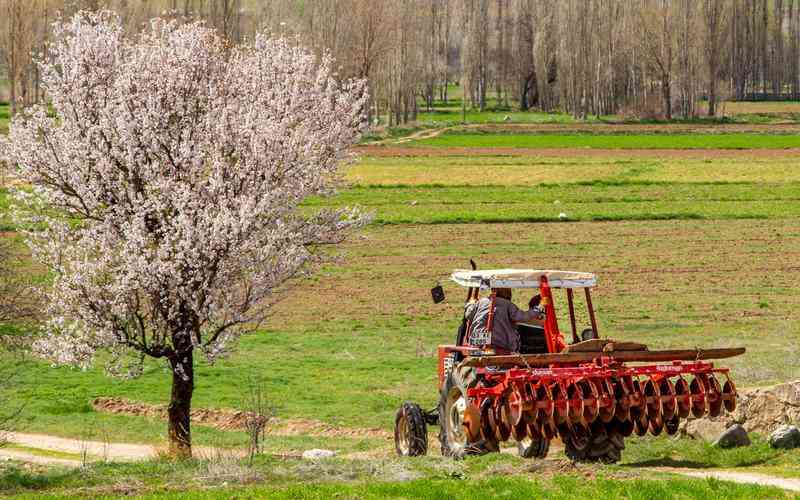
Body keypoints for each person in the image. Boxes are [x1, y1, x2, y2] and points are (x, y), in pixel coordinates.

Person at [464, 288, 543, 353]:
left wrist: (471, 304)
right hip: (500, 343)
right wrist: (538, 308)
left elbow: (468, 315)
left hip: (477, 341)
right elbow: (523, 317)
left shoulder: (481, 302)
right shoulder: (507, 305)